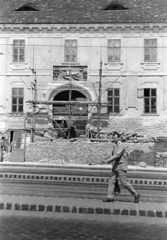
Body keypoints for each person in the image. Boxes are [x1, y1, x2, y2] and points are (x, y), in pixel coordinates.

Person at [102, 133, 140, 203]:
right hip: (115, 166)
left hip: (121, 166)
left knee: (124, 182)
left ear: (119, 138)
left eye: (116, 137)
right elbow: (113, 155)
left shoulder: (121, 145)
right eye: (113, 138)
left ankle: (136, 194)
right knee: (111, 180)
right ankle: (109, 197)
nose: (114, 139)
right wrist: (106, 159)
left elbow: (117, 155)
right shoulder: (115, 146)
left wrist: (107, 161)